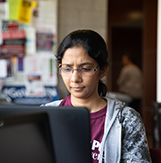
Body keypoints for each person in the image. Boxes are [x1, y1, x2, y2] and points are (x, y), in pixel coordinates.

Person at [41, 29, 151, 163]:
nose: (75, 78)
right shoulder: (44, 115)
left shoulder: (125, 120)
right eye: (67, 69)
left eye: (85, 69)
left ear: (102, 71)